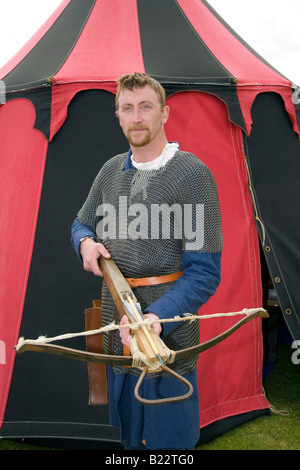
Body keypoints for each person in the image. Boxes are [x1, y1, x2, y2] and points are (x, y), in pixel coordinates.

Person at [71, 73, 223, 450]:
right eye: (127, 108)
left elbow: (204, 273)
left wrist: (159, 318)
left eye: (145, 107)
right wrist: (85, 243)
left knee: (168, 441)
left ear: (164, 113)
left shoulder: (192, 175)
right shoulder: (110, 171)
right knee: (127, 437)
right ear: (118, 117)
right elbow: (81, 222)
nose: (136, 117)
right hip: (116, 323)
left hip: (166, 332)